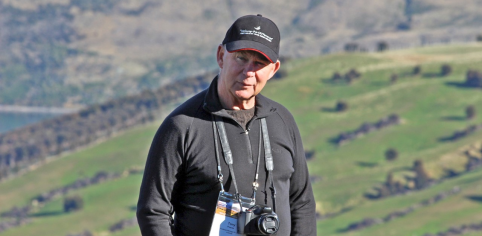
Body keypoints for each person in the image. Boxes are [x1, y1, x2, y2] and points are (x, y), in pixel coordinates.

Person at [137, 14, 316, 236]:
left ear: (274, 70)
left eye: (259, 63)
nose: (248, 72)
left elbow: (302, 204)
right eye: (241, 58)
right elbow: (153, 210)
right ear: (221, 56)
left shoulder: (282, 120)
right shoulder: (182, 125)